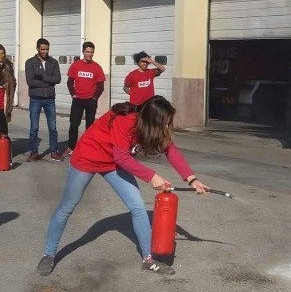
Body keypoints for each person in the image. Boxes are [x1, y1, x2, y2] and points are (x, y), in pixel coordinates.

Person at [36, 96, 210, 277]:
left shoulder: (154, 127)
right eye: (164, 123)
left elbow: (170, 150)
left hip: (113, 164)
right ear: (151, 120)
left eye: (168, 123)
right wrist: (152, 176)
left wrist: (192, 179)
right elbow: (122, 158)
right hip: (87, 158)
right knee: (67, 207)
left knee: (138, 207)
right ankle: (49, 254)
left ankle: (148, 260)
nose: (166, 127)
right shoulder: (126, 121)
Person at [62, 41, 106, 157]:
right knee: (74, 124)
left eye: (92, 52)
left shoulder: (97, 67)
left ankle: (89, 148)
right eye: (87, 52)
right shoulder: (76, 65)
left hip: (91, 100)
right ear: (83, 52)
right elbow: (70, 82)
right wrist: (73, 94)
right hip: (78, 100)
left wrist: (95, 98)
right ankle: (71, 147)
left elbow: (100, 86)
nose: (90, 54)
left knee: (90, 126)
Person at [25, 38, 62, 162]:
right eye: (43, 49)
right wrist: (48, 82)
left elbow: (57, 79)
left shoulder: (53, 62)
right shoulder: (30, 62)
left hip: (50, 99)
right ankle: (34, 152)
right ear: (37, 49)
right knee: (34, 127)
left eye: (47, 49)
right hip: (35, 99)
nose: (45, 51)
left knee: (52, 127)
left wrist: (42, 77)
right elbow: (30, 81)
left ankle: (54, 151)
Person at [0, 44, 17, 136]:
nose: (1, 56)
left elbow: (13, 83)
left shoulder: (7, 66)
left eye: (3, 54)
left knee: (3, 127)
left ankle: (5, 148)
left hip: (4, 101)